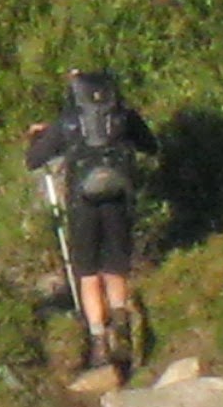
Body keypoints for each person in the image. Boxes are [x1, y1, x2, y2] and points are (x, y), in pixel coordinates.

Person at [25, 70, 158, 372]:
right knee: (115, 267)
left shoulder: (67, 122)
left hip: (82, 203)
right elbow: (151, 146)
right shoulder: (123, 116)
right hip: (119, 197)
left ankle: (99, 341)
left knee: (87, 273)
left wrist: (37, 137)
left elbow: (34, 160)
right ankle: (121, 324)